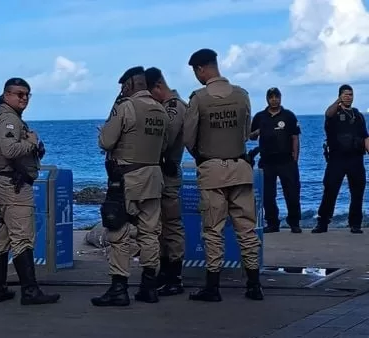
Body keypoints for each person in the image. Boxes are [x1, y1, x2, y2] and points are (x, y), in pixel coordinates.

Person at [183, 48, 264, 302]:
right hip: (240, 168)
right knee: (247, 229)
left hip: (212, 170)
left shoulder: (199, 98)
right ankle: (254, 285)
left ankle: (213, 286)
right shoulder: (242, 95)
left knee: (213, 230)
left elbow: (188, 137)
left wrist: (202, 156)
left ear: (200, 69)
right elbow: (246, 131)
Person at [92, 66, 170, 307]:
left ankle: (119, 288)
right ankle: (149, 287)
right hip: (154, 178)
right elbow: (164, 145)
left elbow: (106, 141)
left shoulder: (126, 107)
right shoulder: (161, 110)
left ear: (129, 85)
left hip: (127, 179)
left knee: (118, 232)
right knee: (150, 234)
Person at [0, 77, 60, 305]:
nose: (24, 99)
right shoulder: (8, 119)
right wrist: (32, 142)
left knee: (2, 239)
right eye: (19, 94)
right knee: (22, 239)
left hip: (3, 185)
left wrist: (34, 149)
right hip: (13, 187)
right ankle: (30, 291)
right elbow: (9, 150)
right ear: (6, 94)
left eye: (27, 94)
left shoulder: (1, 117)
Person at [144, 67, 187, 296]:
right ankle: (165, 271)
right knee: (159, 227)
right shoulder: (164, 106)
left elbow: (165, 137)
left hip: (168, 171)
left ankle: (174, 275)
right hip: (159, 172)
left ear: (158, 86)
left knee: (171, 226)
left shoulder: (174, 107)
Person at [313, 84, 369, 234]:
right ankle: (323, 223)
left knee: (357, 192)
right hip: (336, 159)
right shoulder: (334, 114)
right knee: (330, 190)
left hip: (356, 159)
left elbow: (365, 137)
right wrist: (337, 101)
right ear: (339, 96)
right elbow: (327, 113)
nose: (348, 97)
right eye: (345, 94)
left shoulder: (358, 116)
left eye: (350, 94)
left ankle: (355, 224)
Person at [250, 87, 302, 234]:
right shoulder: (260, 117)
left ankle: (294, 223)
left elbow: (295, 138)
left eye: (276, 97)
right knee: (268, 195)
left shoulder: (289, 116)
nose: (274, 100)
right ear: (267, 99)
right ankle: (272, 223)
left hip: (287, 161)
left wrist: (295, 159)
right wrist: (257, 131)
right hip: (267, 161)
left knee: (292, 193)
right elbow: (251, 136)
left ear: (280, 98)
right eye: (271, 97)